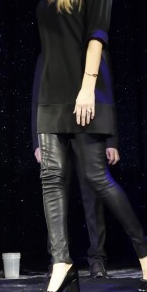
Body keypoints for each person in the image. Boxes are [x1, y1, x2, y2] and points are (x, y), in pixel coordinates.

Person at [33, 0, 147, 292]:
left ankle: (146, 253)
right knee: (51, 179)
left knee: (97, 178)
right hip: (51, 95)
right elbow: (49, 50)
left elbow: (96, 40)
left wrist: (87, 89)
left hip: (84, 93)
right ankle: (61, 265)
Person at [31, 53, 119, 279]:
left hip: (89, 129)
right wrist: (38, 140)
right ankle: (59, 261)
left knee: (93, 199)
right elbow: (37, 98)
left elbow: (106, 94)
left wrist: (111, 140)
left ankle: (97, 260)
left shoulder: (93, 51)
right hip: (55, 132)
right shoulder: (49, 52)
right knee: (55, 197)